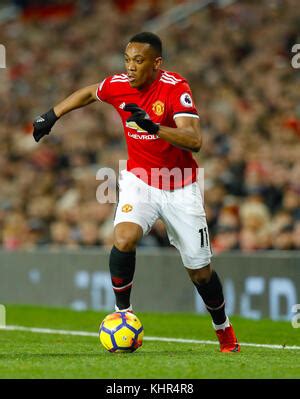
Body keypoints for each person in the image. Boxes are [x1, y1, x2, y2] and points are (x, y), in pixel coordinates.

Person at [32, 32, 240, 352]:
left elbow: (195, 140)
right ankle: (123, 313)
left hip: (179, 185)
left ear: (156, 63)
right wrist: (52, 115)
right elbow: (89, 93)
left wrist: (155, 127)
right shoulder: (118, 84)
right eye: (127, 60)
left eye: (138, 61)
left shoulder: (175, 88)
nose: (130, 67)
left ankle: (224, 329)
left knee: (200, 272)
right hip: (139, 179)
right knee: (124, 237)